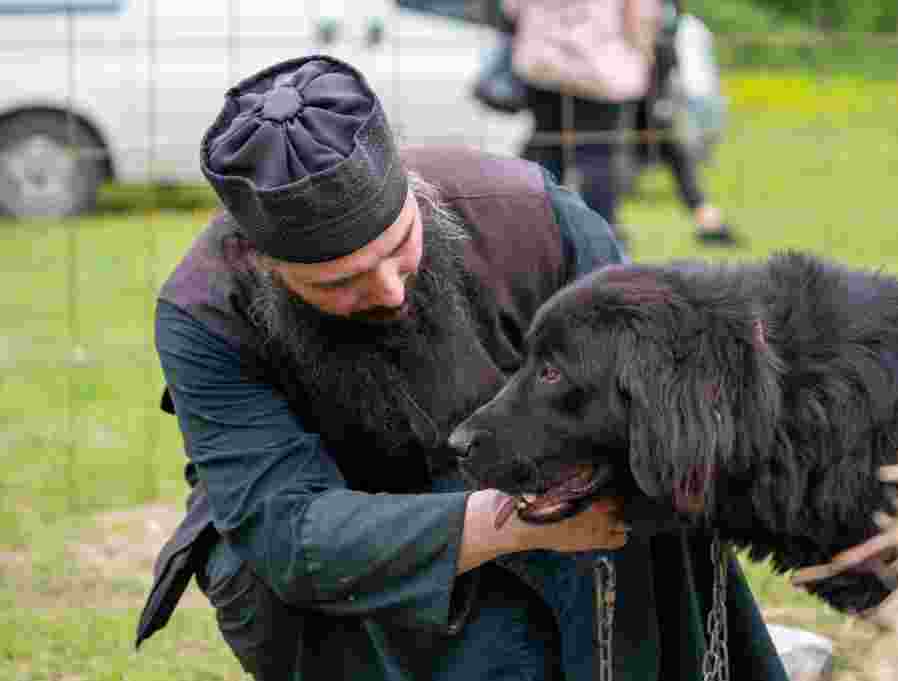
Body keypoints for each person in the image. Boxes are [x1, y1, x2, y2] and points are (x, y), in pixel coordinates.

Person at [134, 55, 788, 681]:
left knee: (644, 497)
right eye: (341, 282)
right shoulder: (204, 314)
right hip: (346, 523)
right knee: (255, 572)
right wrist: (508, 524)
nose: (389, 289)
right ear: (265, 265)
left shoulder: (533, 217)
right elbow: (288, 529)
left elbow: (654, 390)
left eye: (399, 245)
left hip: (520, 464)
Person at [507, 0, 660, 252]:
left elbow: (512, 8)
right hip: (600, 66)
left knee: (546, 151)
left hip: (543, 61)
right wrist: (643, 53)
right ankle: (602, 244)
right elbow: (640, 14)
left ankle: (532, 236)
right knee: (596, 157)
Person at [634, 4, 742, 246]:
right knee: (597, 158)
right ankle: (707, 218)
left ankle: (708, 219)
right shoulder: (670, 19)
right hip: (624, 94)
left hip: (640, 97)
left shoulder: (671, 20)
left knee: (673, 153)